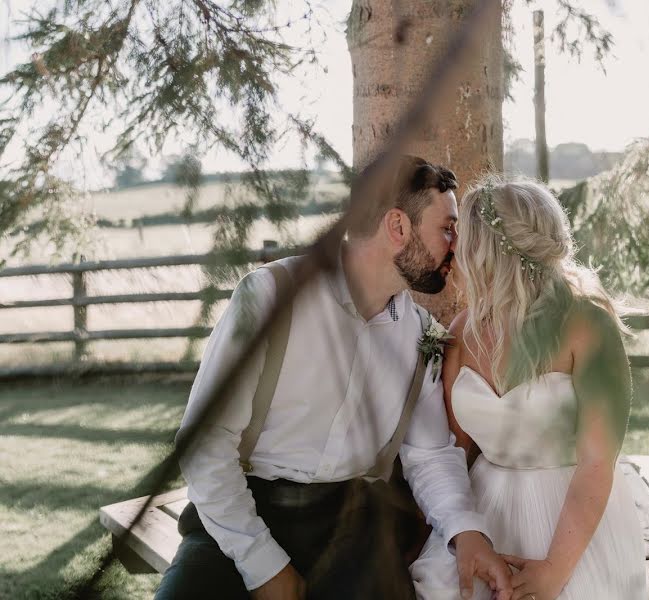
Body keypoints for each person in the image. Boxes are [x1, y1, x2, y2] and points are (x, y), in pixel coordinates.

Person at [156, 156, 513, 600]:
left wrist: (466, 530)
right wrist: (263, 566)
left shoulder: (420, 335)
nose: (455, 248)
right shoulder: (270, 297)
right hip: (239, 520)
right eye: (446, 229)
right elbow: (206, 445)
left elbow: (430, 456)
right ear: (397, 227)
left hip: (353, 535)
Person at [410, 175, 649, 600]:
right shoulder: (461, 333)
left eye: (461, 239)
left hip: (573, 521)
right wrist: (459, 534)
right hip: (488, 514)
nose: (453, 250)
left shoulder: (588, 326)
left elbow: (598, 463)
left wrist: (554, 572)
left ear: (486, 253)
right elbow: (458, 454)